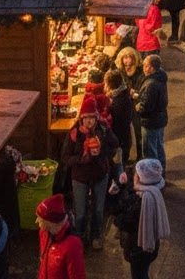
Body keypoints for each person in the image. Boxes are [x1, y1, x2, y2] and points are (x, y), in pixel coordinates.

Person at [62, 96, 119, 249]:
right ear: (81, 118)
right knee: (80, 211)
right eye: (86, 118)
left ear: (96, 117)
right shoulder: (74, 133)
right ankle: (79, 237)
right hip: (80, 177)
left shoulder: (103, 128)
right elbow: (66, 157)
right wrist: (82, 159)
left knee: (98, 209)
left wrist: (102, 150)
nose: (89, 121)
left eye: (92, 118)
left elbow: (115, 145)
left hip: (100, 174)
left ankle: (96, 236)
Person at [113, 158, 169, 279]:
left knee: (139, 275)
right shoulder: (153, 192)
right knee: (143, 272)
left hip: (137, 247)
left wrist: (117, 193)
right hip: (149, 246)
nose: (134, 176)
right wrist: (125, 186)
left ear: (141, 179)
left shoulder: (141, 201)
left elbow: (121, 219)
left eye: (136, 174)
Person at [34, 193, 86, 279]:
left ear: (51, 222)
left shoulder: (72, 245)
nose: (37, 221)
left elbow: (77, 276)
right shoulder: (44, 232)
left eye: (41, 219)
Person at [137, 55, 168, 174]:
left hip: (150, 121)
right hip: (160, 119)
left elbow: (146, 106)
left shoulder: (151, 84)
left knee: (150, 152)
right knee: (159, 147)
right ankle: (161, 172)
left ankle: (153, 176)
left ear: (150, 68)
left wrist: (137, 106)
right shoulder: (160, 77)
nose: (143, 68)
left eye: (145, 66)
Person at [118, 49, 146, 161]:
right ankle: (125, 156)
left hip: (135, 104)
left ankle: (140, 156)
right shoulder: (121, 71)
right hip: (125, 104)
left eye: (129, 57)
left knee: (138, 131)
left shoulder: (140, 72)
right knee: (125, 132)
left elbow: (142, 89)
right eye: (125, 58)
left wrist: (134, 93)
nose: (127, 61)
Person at [106, 69, 136, 170]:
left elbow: (118, 121)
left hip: (120, 137)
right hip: (125, 135)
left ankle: (121, 181)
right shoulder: (123, 93)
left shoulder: (119, 101)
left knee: (119, 162)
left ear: (110, 84)